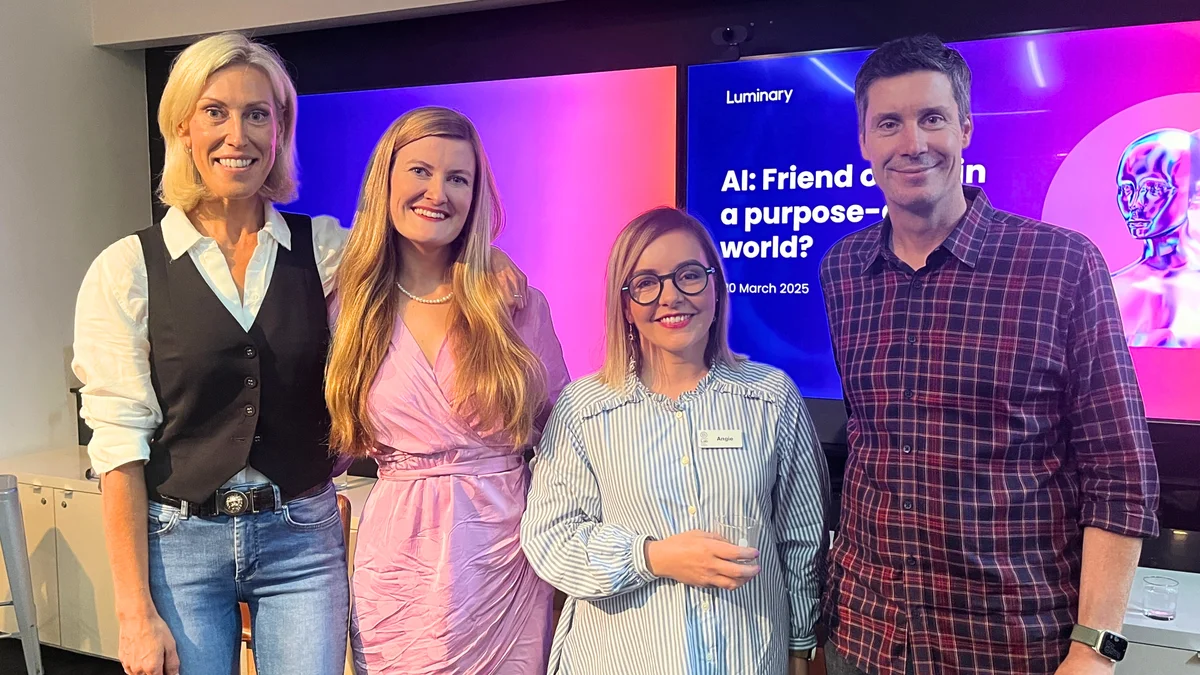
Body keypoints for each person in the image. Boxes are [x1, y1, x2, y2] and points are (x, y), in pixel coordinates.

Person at [72, 34, 527, 675]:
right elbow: (118, 447)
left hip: (302, 538)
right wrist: (132, 612)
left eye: (258, 114)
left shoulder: (327, 251)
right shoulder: (128, 270)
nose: (239, 134)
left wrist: (493, 268)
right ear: (182, 126)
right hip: (180, 543)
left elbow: (425, 244)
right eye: (216, 112)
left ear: (281, 129)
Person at [818, 35, 1160, 675]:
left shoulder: (1062, 265)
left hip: (1011, 647)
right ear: (864, 142)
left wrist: (1095, 649)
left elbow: (1121, 474)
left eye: (932, 118)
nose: (911, 142)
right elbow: (872, 445)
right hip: (868, 640)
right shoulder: (844, 271)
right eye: (888, 123)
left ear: (966, 127)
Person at [520, 206, 830, 675]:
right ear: (624, 303)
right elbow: (550, 539)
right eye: (646, 283)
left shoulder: (771, 398)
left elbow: (801, 538)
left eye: (688, 275)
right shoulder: (584, 409)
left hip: (745, 655)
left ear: (715, 287)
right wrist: (653, 557)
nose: (671, 297)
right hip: (620, 658)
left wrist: (801, 644)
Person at [325, 106, 570, 674]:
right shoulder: (348, 307)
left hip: (505, 558)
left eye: (458, 178)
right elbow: (331, 444)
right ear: (386, 179)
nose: (438, 192)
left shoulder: (514, 304)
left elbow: (562, 432)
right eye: (420, 171)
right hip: (399, 564)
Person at [1111, 128, 1200, 347]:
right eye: (1127, 189)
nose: (1135, 205)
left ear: (1194, 192)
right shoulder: (1111, 290)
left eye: (1153, 188)